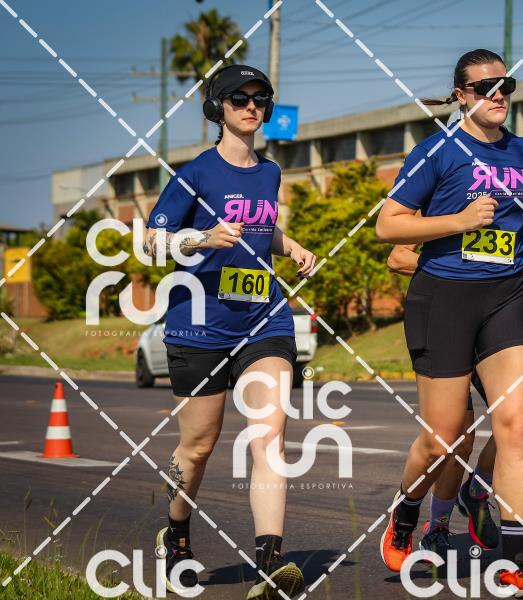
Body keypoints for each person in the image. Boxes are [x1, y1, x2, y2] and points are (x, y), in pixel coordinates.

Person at [375, 48, 523, 598]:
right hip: (443, 298)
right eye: (485, 87)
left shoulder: (522, 151)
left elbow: (510, 224)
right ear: (461, 95)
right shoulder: (438, 150)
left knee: (516, 427)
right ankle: (406, 513)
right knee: (443, 440)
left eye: (505, 85)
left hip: (505, 296)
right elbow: (388, 226)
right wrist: (458, 220)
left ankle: (513, 562)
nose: (498, 94)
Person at [144, 64, 314, 599]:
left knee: (269, 434)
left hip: (264, 317)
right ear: (217, 107)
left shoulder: (270, 172)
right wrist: (201, 239)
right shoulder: (195, 173)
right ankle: (175, 533)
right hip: (199, 324)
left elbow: (261, 226)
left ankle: (271, 562)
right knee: (197, 446)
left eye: (260, 98)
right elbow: (151, 242)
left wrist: (290, 246)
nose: (252, 106)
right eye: (239, 98)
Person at [387, 243, 499, 557]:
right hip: (449, 322)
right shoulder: (437, 211)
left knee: (517, 420)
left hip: (494, 320)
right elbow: (397, 257)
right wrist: (459, 270)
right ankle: (437, 527)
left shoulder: (510, 209)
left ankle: (476, 490)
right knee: (458, 440)